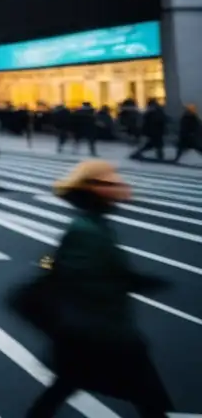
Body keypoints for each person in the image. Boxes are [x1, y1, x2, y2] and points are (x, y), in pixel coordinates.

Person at [23, 160, 173, 417]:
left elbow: (59, 264)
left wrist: (130, 280)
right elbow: (89, 277)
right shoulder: (88, 231)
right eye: (109, 184)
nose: (117, 189)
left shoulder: (93, 225)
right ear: (92, 189)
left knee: (66, 384)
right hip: (102, 332)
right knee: (150, 398)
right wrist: (134, 281)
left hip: (89, 331)